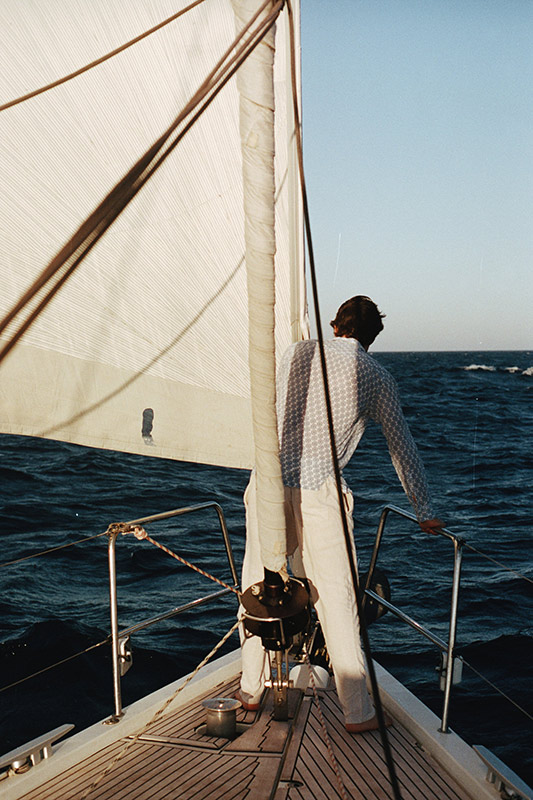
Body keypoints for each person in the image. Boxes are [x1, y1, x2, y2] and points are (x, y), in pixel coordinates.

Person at [238, 295, 443, 732]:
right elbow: (400, 447)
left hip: (268, 483)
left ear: (335, 327)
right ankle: (357, 711)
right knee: (337, 597)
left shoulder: (296, 351)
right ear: (371, 338)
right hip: (319, 494)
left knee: (258, 584)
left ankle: (249, 691)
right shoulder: (376, 376)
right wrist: (423, 510)